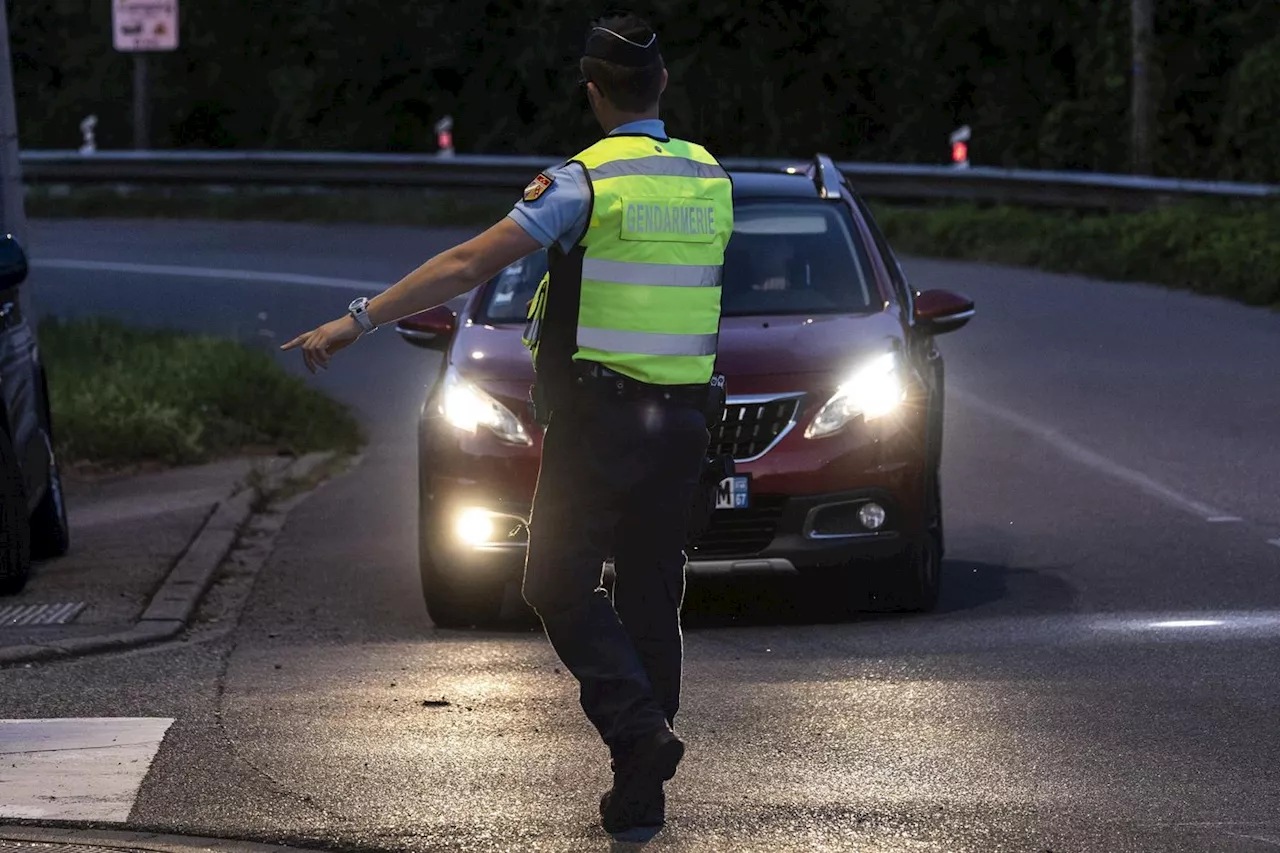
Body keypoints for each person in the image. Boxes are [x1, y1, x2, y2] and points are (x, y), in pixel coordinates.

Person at [282, 11, 734, 837]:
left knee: (553, 581)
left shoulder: (583, 182)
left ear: (593, 92)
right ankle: (641, 785)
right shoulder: (709, 178)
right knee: (648, 595)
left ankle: (638, 731)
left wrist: (357, 319)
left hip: (601, 420)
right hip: (683, 424)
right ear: (663, 84)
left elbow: (465, 266)